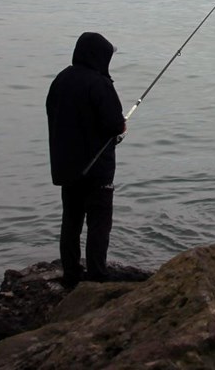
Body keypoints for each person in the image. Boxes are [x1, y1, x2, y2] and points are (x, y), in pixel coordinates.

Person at [46, 31, 127, 287]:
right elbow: (115, 124)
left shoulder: (60, 80)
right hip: (96, 169)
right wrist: (121, 128)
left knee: (71, 222)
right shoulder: (100, 84)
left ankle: (70, 276)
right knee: (99, 223)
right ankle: (97, 276)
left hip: (67, 168)